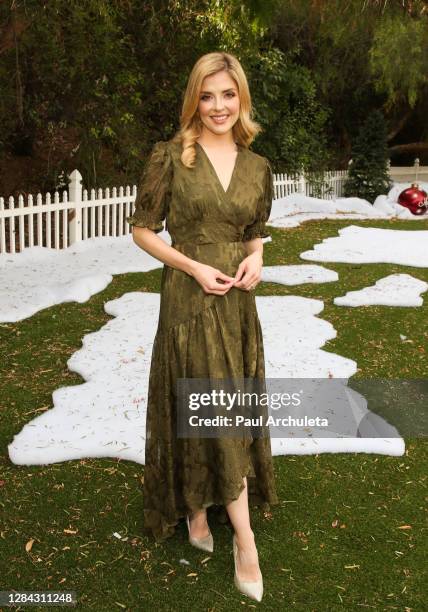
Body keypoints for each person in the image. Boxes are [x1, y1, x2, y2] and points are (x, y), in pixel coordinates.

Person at [126, 51, 278, 602]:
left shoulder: (258, 166)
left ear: (242, 98)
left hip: (237, 302)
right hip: (189, 297)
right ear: (195, 98)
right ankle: (239, 535)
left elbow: (255, 229)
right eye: (207, 95)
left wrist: (256, 258)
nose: (218, 106)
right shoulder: (170, 157)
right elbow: (143, 230)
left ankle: (204, 511)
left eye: (228, 95)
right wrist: (191, 265)